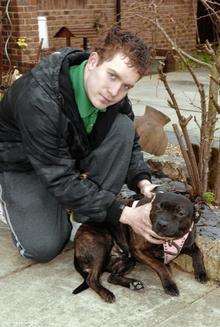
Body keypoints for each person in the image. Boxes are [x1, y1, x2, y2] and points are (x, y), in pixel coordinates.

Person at [0, 27, 165, 263]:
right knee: (44, 248)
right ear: (93, 61)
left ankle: (87, 214)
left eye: (126, 86)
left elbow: (131, 143)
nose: (115, 91)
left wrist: (143, 181)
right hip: (22, 164)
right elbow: (58, 177)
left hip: (65, 155)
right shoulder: (38, 98)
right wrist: (125, 213)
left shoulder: (112, 95)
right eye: (112, 75)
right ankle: (10, 199)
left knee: (121, 127)